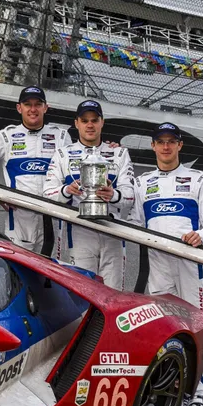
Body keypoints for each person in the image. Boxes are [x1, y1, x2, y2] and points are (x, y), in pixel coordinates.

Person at [127, 122, 203, 406]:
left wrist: (200, 236)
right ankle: (162, 387)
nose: (166, 147)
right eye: (160, 142)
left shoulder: (200, 179)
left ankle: (195, 396)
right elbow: (132, 222)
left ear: (180, 146)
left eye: (172, 141)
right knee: (159, 328)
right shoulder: (143, 183)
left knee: (193, 328)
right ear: (153, 146)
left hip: (189, 264)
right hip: (156, 264)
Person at [0, 86, 72, 255]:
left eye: (38, 104)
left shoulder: (60, 136)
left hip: (53, 220)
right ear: (19, 108)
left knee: (48, 274)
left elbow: (77, 167)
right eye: (27, 104)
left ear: (46, 107)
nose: (33, 109)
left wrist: (109, 149)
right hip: (19, 221)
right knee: (18, 273)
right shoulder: (7, 136)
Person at [42, 100, 135, 288]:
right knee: (80, 294)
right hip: (77, 232)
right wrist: (66, 191)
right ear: (76, 123)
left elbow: (130, 196)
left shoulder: (119, 153)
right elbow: (48, 193)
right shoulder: (63, 154)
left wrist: (114, 195)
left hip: (112, 233)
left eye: (94, 120)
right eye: (85, 121)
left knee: (113, 295)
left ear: (102, 122)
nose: (90, 125)